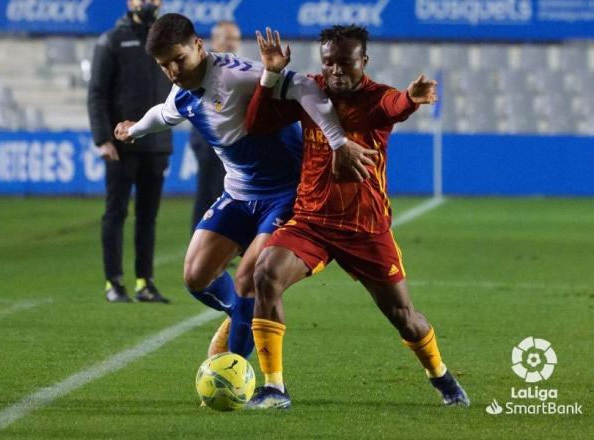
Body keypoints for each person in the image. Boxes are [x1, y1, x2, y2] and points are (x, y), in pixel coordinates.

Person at [114, 13, 373, 359]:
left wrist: (338, 141)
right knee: (196, 276)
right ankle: (243, 313)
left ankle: (237, 375)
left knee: (249, 279)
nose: (174, 71)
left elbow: (305, 86)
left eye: (179, 59)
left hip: (287, 194)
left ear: (199, 46)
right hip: (238, 193)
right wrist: (134, 130)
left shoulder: (237, 76)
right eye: (165, 66)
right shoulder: (183, 92)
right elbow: (163, 113)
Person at [244, 26, 469, 409]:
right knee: (265, 273)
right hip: (312, 221)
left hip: (366, 229)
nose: (335, 70)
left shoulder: (375, 98)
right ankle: (274, 388)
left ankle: (440, 375)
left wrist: (412, 99)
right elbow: (258, 125)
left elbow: (394, 105)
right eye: (328, 61)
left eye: (345, 63)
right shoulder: (309, 91)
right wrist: (271, 75)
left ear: (363, 62)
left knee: (404, 317)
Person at [88, 0, 171, 303]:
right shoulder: (112, 39)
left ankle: (144, 282)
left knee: (148, 216)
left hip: (158, 144)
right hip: (121, 145)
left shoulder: (169, 38)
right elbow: (96, 93)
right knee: (116, 212)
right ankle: (114, 282)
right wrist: (102, 138)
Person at [189, 21, 241, 233]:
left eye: (235, 38)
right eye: (227, 38)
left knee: (231, 193)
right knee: (208, 193)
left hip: (232, 141)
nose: (232, 43)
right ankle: (198, 242)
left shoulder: (239, 66)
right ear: (215, 40)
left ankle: (224, 242)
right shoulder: (202, 67)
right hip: (208, 140)